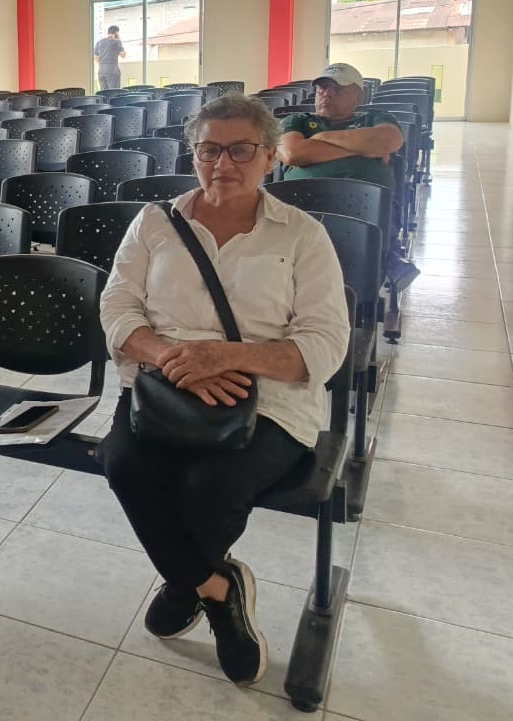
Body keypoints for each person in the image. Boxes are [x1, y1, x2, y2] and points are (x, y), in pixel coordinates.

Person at [99, 94, 349, 687]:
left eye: (241, 150)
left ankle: (184, 583)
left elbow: (325, 343)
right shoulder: (156, 222)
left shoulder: (303, 235)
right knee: (124, 465)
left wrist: (226, 357)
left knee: (209, 486)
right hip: (165, 385)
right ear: (193, 155)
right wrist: (171, 357)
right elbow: (117, 306)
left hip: (269, 397)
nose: (222, 164)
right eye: (209, 150)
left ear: (270, 156)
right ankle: (216, 588)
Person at [276, 62, 418, 291]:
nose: (327, 94)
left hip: (367, 204)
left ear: (358, 97)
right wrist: (363, 148)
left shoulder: (375, 117)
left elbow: (390, 140)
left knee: (372, 220)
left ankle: (384, 260)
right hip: (303, 202)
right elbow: (293, 153)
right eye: (322, 88)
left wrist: (321, 139)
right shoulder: (298, 120)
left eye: (337, 89)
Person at [94, 25, 126, 91]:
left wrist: (103, 64)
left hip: (101, 71)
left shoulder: (99, 42)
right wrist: (119, 39)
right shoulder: (117, 42)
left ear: (108, 33)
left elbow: (95, 57)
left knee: (104, 93)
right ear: (116, 33)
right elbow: (123, 55)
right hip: (112, 71)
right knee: (114, 92)